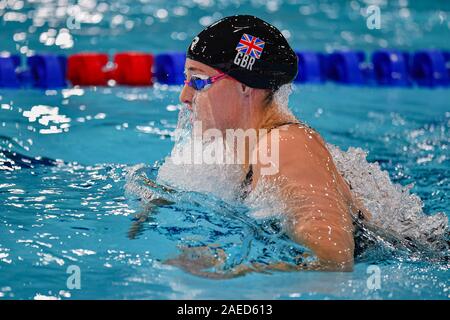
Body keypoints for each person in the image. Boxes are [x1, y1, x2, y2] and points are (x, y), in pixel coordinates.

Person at [157, 15, 372, 274]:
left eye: (199, 81)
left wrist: (232, 273)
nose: (185, 96)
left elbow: (333, 259)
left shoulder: (283, 145)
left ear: (245, 86)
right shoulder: (242, 145)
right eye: (186, 81)